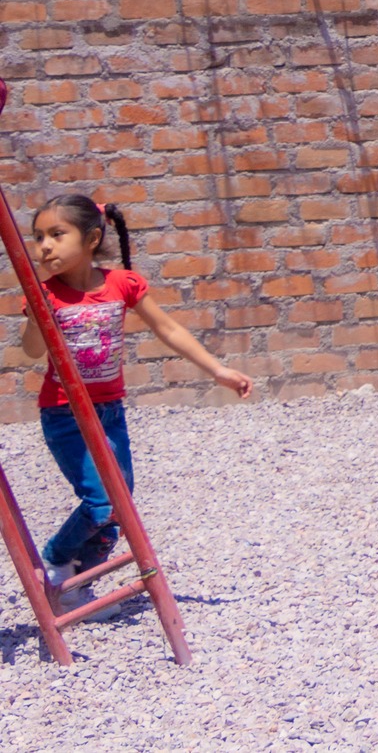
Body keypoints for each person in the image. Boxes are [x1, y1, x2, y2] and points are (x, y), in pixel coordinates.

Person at [16, 195, 253, 613]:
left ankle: (78, 582)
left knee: (120, 505)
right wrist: (37, 314)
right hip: (64, 413)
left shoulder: (121, 284)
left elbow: (168, 329)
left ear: (91, 238)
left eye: (56, 234)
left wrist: (218, 371)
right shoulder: (46, 294)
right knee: (101, 503)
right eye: (38, 238)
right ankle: (55, 557)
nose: (44, 247)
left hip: (109, 411)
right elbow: (33, 351)